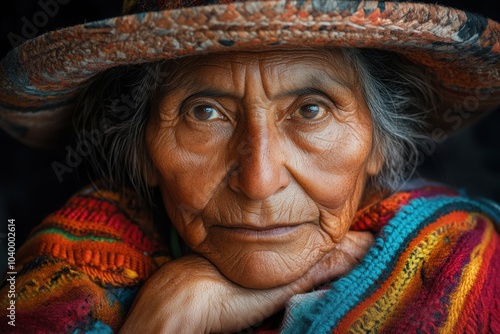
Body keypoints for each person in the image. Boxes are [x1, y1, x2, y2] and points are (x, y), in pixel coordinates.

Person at [0, 0, 499, 333]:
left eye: (310, 109)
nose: (259, 182)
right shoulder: (47, 283)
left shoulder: (463, 264)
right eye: (205, 112)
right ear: (143, 152)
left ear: (378, 147)